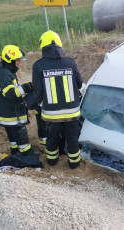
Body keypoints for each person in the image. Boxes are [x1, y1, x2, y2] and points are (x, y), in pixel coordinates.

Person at [30, 30, 83, 169]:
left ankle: (52, 161)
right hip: (72, 111)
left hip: (51, 113)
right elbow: (79, 84)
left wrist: (30, 103)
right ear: (59, 45)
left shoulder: (38, 66)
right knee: (72, 138)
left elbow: (38, 91)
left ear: (43, 47)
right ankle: (74, 163)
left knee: (52, 138)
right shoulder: (70, 63)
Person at [0, 45, 36, 155]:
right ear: (10, 60)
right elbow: (11, 94)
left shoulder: (4, 71)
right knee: (20, 134)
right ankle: (27, 154)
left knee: (12, 135)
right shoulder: (5, 74)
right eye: (17, 60)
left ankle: (15, 151)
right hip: (10, 113)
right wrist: (27, 87)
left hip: (6, 112)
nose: (19, 62)